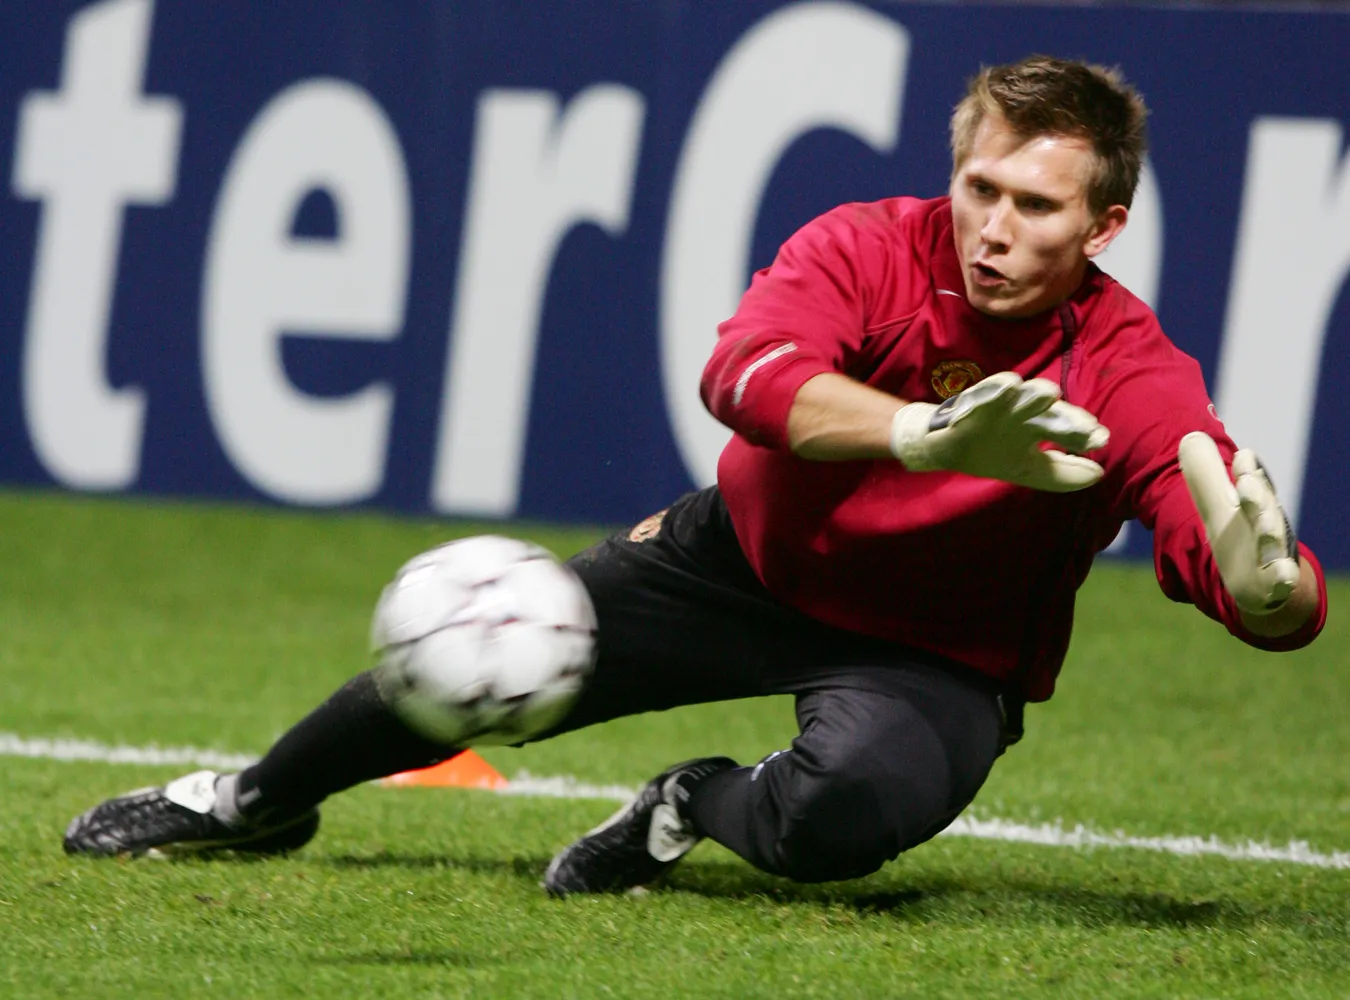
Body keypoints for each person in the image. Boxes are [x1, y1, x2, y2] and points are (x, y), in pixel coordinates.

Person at [64, 55, 1326, 893]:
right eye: (978, 187)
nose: (994, 228)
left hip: (936, 657)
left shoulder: (1128, 362)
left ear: (1103, 225)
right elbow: (745, 376)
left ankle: (689, 805)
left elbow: (1205, 525)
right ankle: (255, 800)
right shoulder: (865, 247)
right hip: (737, 563)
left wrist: (1271, 597)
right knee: (469, 643)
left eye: (1037, 209)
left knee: (838, 824)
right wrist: (918, 435)